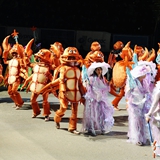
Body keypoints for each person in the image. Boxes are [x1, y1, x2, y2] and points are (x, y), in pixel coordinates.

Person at [81, 62, 114, 136]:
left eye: (100, 70)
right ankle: (91, 128)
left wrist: (107, 85)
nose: (99, 71)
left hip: (101, 99)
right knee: (92, 114)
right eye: (98, 69)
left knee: (102, 114)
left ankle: (102, 128)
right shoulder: (92, 78)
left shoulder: (102, 78)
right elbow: (93, 88)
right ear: (95, 70)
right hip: (94, 99)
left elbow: (104, 88)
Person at [125, 64, 152, 146]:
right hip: (134, 104)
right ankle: (137, 138)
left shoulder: (144, 82)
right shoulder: (133, 82)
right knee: (135, 121)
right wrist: (128, 102)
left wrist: (147, 97)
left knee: (142, 121)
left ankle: (142, 136)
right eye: (143, 74)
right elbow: (127, 92)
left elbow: (147, 91)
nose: (145, 75)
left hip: (143, 103)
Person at [145, 81, 160, 157]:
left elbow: (154, 105)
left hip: (158, 116)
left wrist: (149, 115)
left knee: (158, 133)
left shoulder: (158, 92)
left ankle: (158, 150)